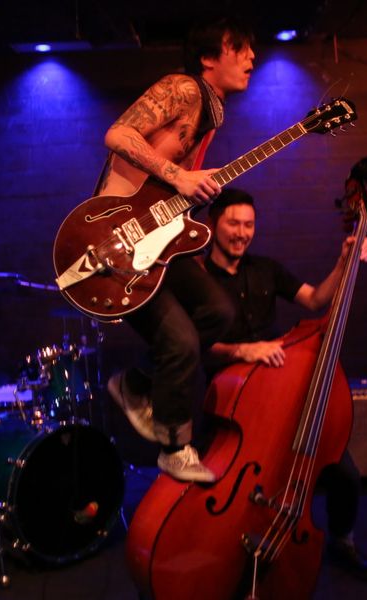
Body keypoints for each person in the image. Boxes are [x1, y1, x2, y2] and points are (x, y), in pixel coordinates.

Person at [102, 15, 256, 482]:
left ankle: (135, 383)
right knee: (181, 338)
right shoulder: (183, 88)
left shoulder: (212, 111)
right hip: (116, 240)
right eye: (239, 47)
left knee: (218, 311)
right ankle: (174, 446)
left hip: (157, 234)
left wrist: (189, 197)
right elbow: (118, 135)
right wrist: (180, 177)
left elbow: (174, 187)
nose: (252, 57)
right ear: (208, 58)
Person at [202, 188, 367, 581]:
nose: (242, 233)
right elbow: (196, 347)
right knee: (218, 480)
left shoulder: (266, 269)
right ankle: (218, 550)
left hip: (277, 396)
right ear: (213, 224)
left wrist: (343, 262)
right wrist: (241, 350)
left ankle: (342, 540)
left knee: (345, 473)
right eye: (234, 223)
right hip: (225, 403)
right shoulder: (196, 279)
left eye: (249, 225)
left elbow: (315, 300)